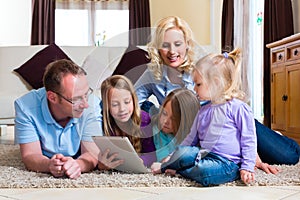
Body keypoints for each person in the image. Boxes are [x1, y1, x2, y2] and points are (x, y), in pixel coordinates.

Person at [134, 16, 299, 170]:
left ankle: (276, 136)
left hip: (231, 124)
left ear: (186, 44)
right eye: (165, 45)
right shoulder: (152, 73)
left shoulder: (201, 68)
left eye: (178, 44)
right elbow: (131, 101)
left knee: (289, 156)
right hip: (200, 134)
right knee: (146, 107)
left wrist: (252, 153)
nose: (172, 51)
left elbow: (230, 98)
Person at [151, 48, 257, 186]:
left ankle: (174, 169)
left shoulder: (238, 108)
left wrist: (247, 167)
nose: (194, 88)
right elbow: (190, 139)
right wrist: (174, 156)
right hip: (203, 155)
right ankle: (177, 166)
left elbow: (248, 139)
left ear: (216, 82)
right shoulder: (203, 111)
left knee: (204, 172)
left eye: (198, 84)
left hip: (228, 163)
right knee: (184, 152)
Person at [14, 59, 121, 179]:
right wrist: (49, 165)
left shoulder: (92, 104)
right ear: (52, 97)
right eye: (76, 99)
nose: (85, 104)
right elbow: (30, 155)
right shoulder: (25, 107)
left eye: (86, 94)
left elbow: (91, 153)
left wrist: (77, 165)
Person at [100, 75, 156, 167]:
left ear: (134, 100)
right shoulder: (104, 122)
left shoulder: (144, 119)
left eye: (127, 102)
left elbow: (152, 154)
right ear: (107, 106)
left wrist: (141, 161)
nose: (122, 109)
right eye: (114, 104)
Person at [152, 88, 200, 162]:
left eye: (173, 118)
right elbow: (163, 160)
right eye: (164, 113)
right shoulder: (158, 130)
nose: (166, 121)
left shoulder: (195, 134)